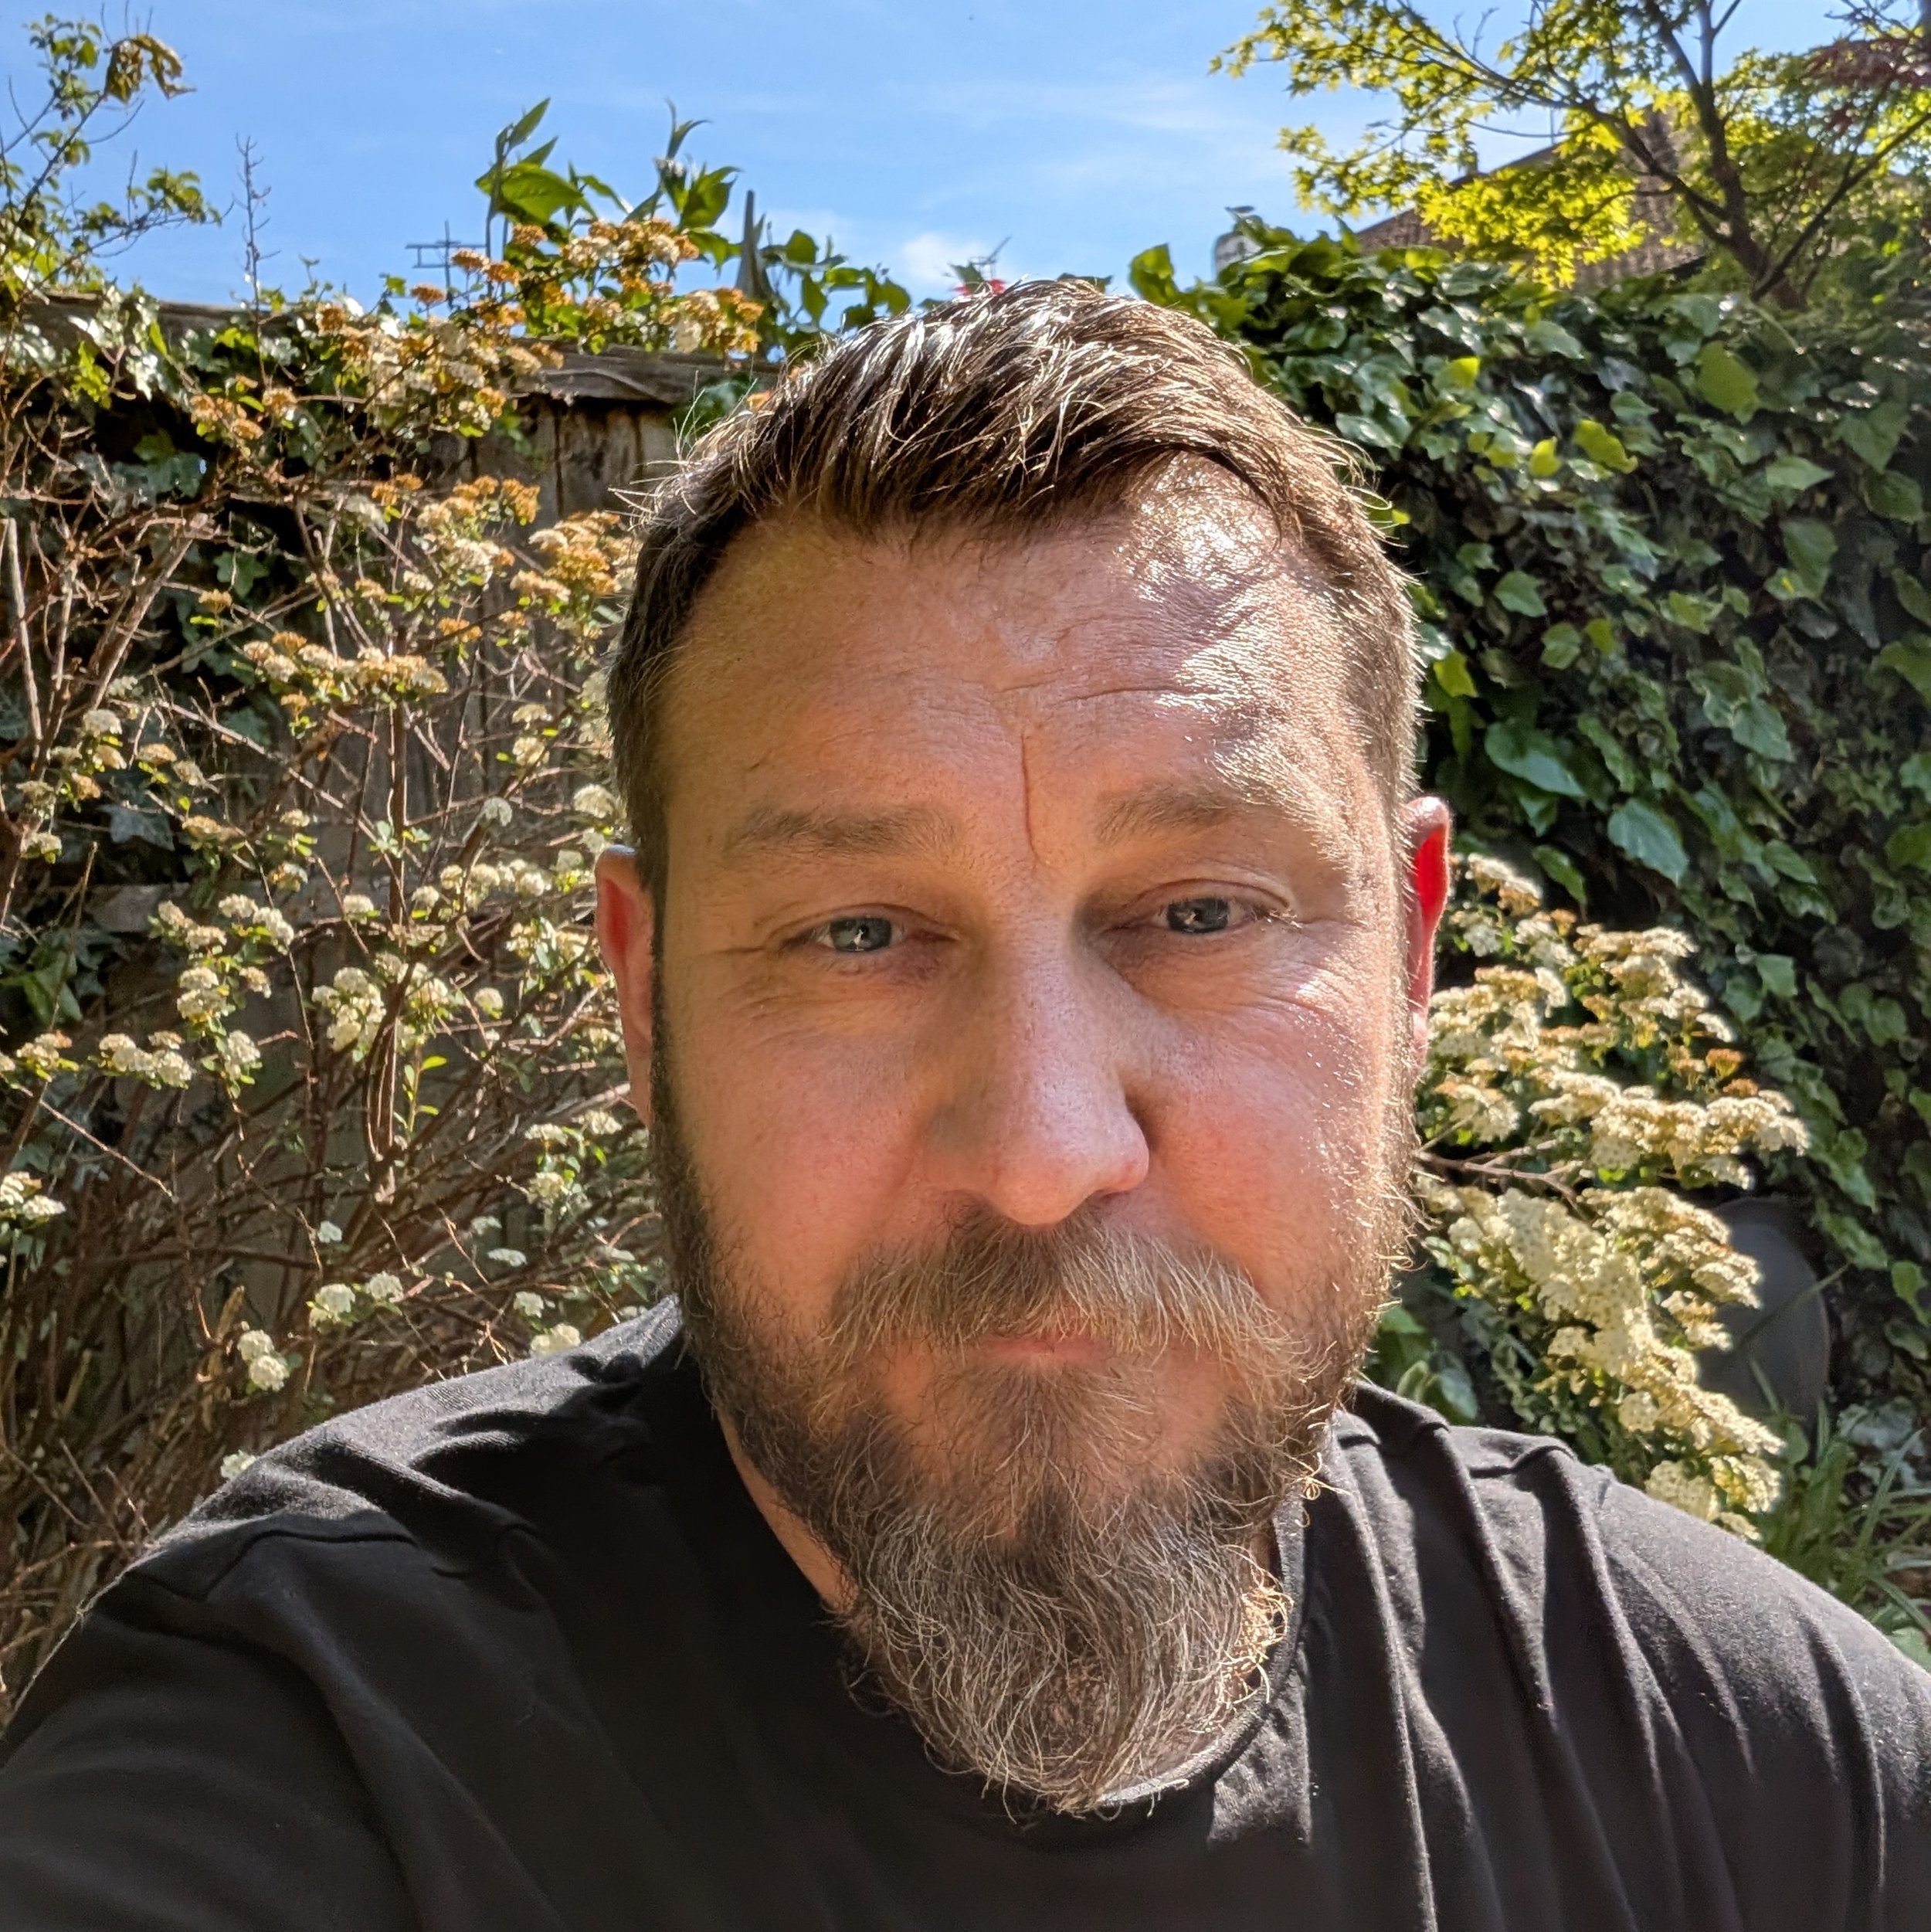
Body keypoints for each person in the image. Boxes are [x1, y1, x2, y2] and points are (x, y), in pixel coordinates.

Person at [0, 280, 1926, 1931]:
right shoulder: (307, 1746)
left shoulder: (1748, 1770)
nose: (1038, 1153)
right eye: (856, 933)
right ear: (646, 986)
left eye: (1195, 914)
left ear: (1410, 961)